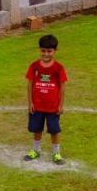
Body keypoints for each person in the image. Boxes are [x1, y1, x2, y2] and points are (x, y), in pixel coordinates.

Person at [24, 34, 68, 164]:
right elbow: (29, 84)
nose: (46, 54)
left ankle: (56, 153)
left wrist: (61, 105)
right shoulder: (34, 66)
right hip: (37, 106)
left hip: (53, 107)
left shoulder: (58, 68)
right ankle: (36, 150)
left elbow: (62, 87)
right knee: (37, 129)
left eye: (49, 51)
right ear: (39, 50)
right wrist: (30, 102)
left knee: (54, 130)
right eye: (43, 50)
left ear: (55, 51)